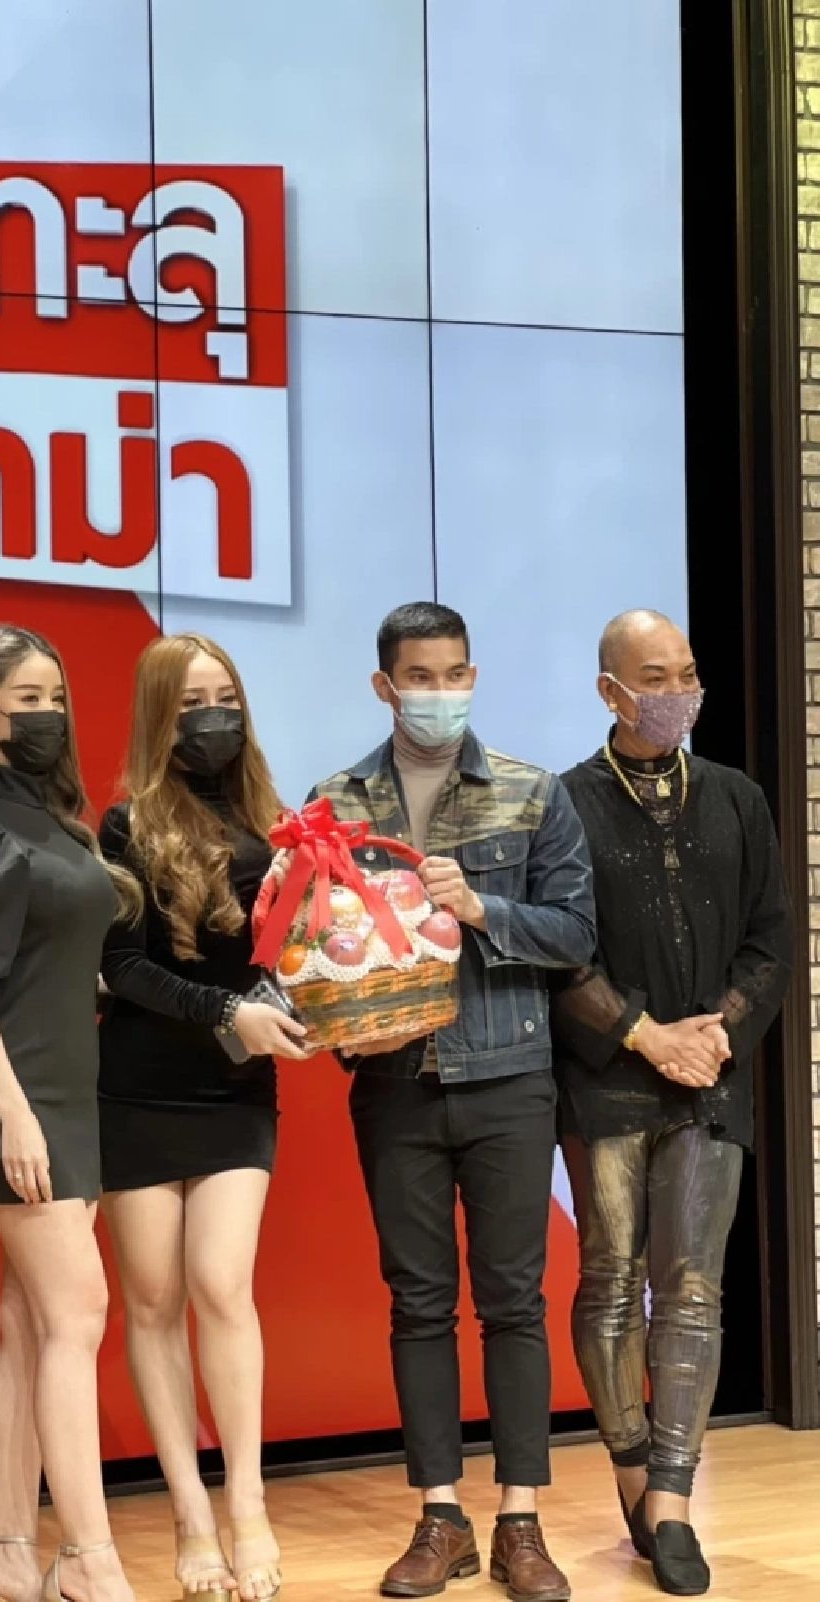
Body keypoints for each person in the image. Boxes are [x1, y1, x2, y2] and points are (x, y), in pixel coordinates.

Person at [308, 602, 595, 1602]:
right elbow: (313, 946)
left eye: (455, 673)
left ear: (473, 676)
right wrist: (335, 1016)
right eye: (420, 677)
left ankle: (520, 1520)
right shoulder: (335, 804)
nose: (440, 692)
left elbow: (575, 935)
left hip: (511, 1078)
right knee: (419, 1304)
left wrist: (480, 907)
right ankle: (440, 1515)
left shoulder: (530, 791)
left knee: (514, 1303)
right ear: (384, 686)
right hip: (394, 1087)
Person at [551, 610, 792, 1597]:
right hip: (606, 1079)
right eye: (655, 677)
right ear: (609, 690)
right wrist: (646, 1034)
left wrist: (718, 1030)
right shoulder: (564, 803)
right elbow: (558, 955)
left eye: (688, 673)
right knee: (612, 1279)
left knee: (693, 1286)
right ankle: (631, 1469)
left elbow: (771, 937)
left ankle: (677, 1498)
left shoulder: (735, 797)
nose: (678, 692)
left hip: (713, 1077)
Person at [0, 624, 143, 1602]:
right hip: (14, 1099)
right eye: (27, 699)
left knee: (31, 1321)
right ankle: (88, 1560)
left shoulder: (58, 819)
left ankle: (8, 1552)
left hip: (71, 1095)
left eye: (56, 697)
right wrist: (14, 1115)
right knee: (78, 1312)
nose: (48, 714)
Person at [97, 635, 308, 1602]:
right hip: (138, 1088)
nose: (212, 716)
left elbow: (293, 956)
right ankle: (189, 1514)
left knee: (222, 1285)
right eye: (190, 704)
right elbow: (123, 969)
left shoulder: (276, 819)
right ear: (158, 715)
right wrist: (226, 1012)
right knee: (151, 1302)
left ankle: (248, 1504)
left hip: (235, 1092)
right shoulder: (125, 824)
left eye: (224, 696)